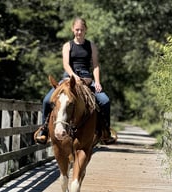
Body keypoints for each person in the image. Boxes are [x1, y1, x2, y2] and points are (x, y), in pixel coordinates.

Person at [35, 17, 116, 145]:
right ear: (73, 29)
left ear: (86, 30)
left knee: (105, 101)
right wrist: (73, 76)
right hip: (68, 77)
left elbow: (95, 65)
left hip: (86, 79)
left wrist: (98, 81)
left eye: (82, 30)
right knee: (46, 100)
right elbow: (66, 64)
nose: (79, 32)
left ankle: (105, 132)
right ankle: (44, 131)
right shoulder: (68, 46)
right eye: (77, 29)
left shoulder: (91, 46)